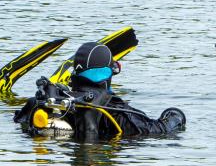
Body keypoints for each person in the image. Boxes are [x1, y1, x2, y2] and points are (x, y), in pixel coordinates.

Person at [14, 42, 186, 140]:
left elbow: (19, 122)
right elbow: (157, 130)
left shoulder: (58, 102)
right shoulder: (115, 109)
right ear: (107, 73)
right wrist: (175, 115)